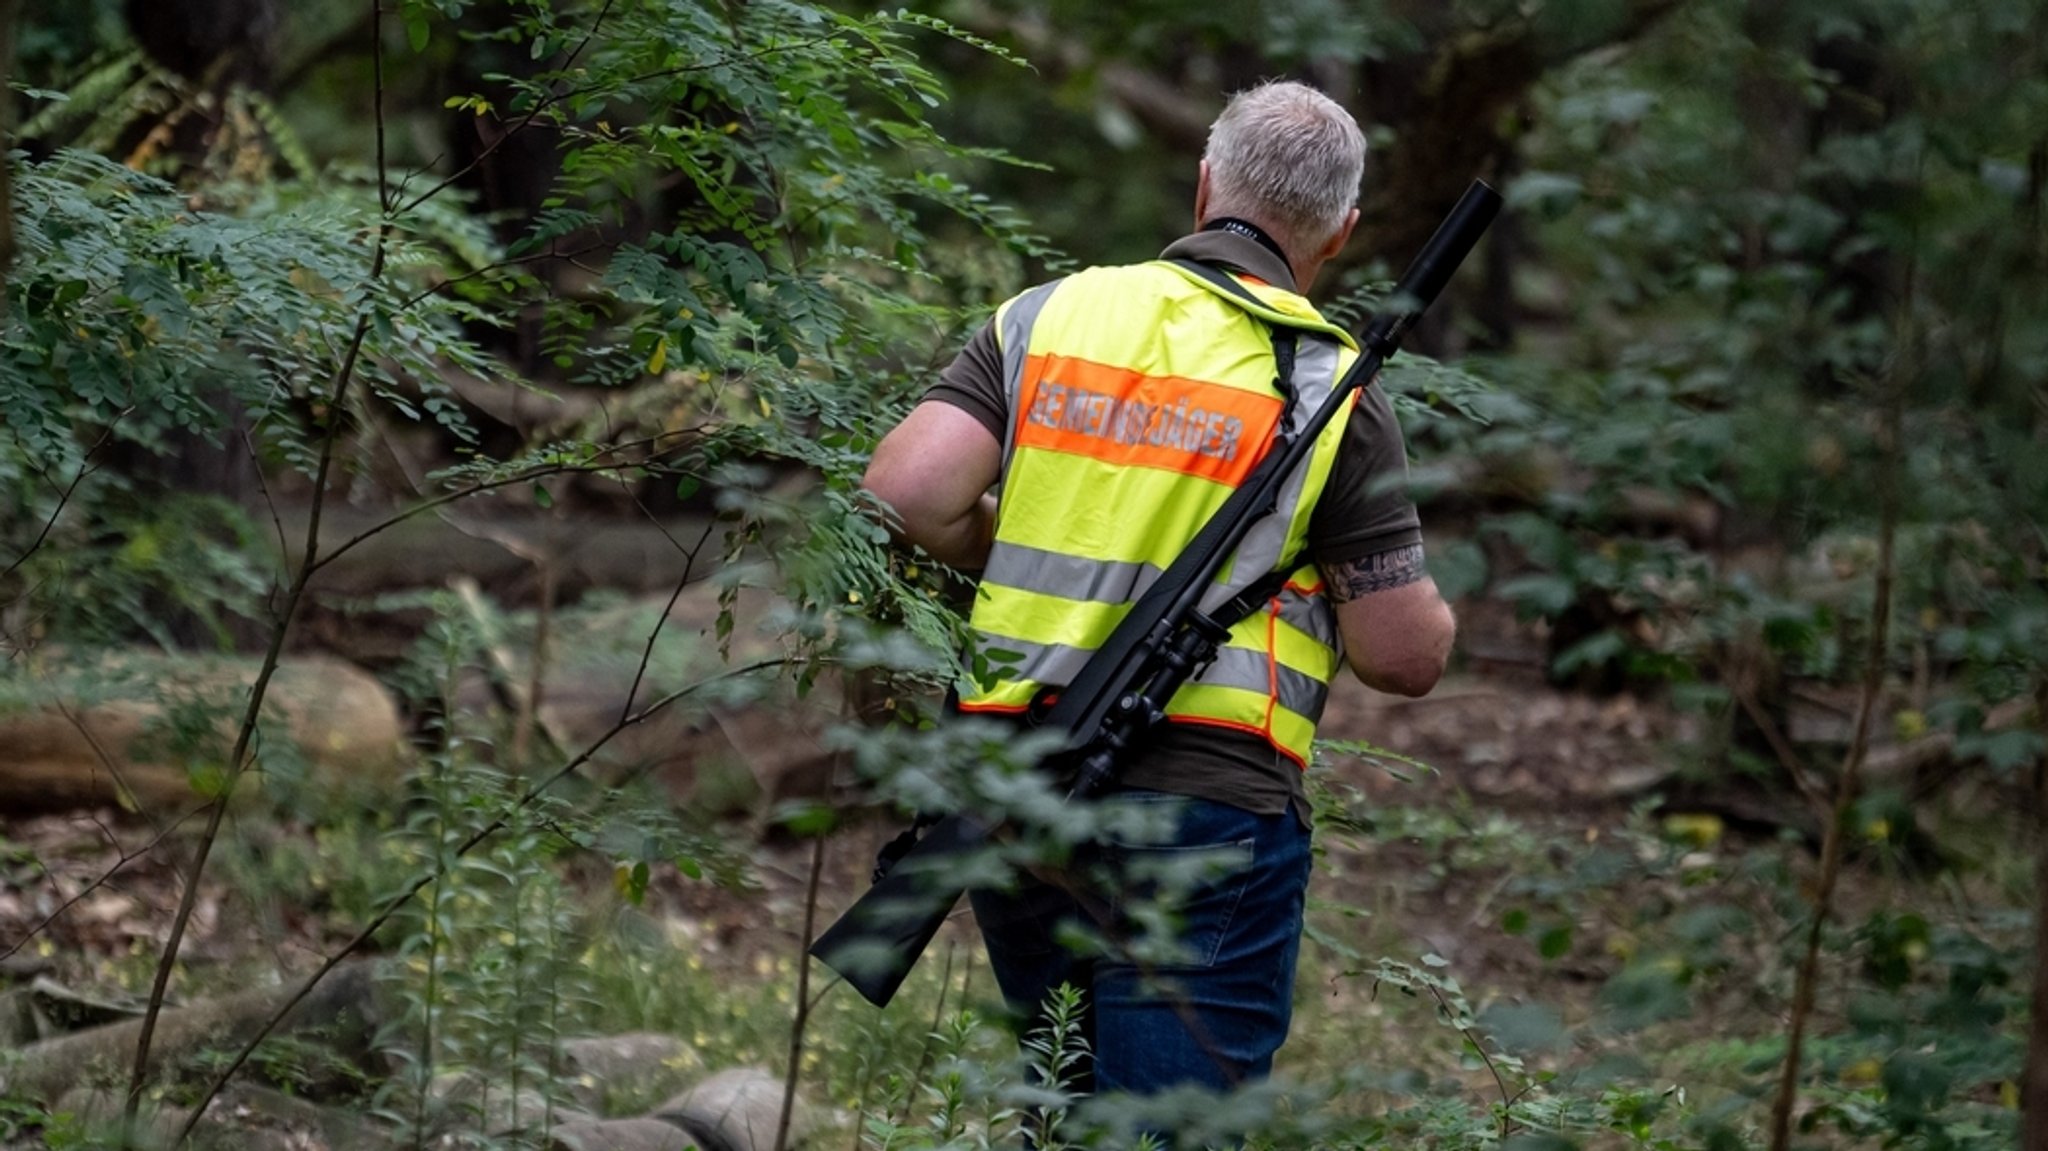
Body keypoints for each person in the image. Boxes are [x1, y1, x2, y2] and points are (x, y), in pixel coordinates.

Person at [861, 81, 1456, 1104]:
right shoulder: (1329, 387)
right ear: (1342, 232)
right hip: (1206, 803)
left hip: (1016, 785)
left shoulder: (1048, 315)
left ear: (1201, 189)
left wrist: (1004, 543)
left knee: (1060, 1106)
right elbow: (1403, 655)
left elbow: (903, 496)